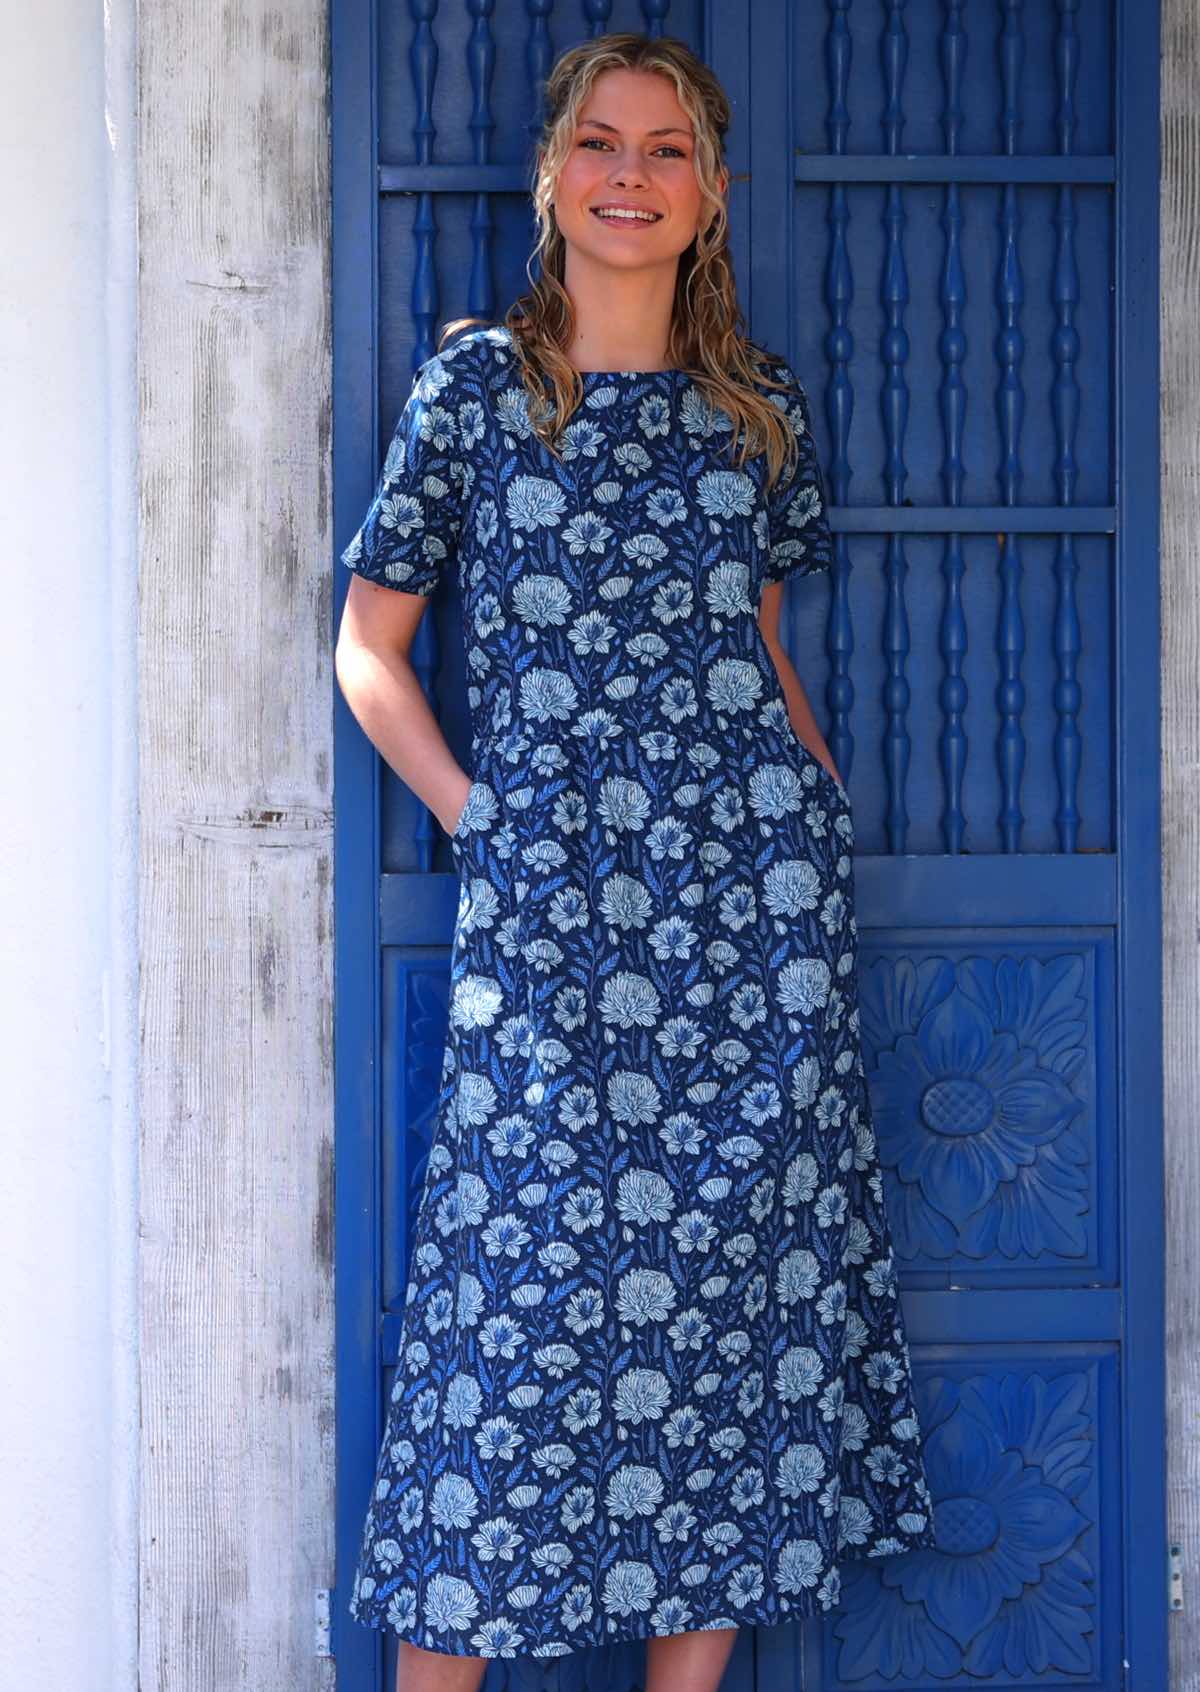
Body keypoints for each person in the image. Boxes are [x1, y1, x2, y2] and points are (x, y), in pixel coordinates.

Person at [334, 30, 937, 1692]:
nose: (627, 174)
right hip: (548, 925)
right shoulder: (477, 392)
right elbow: (367, 648)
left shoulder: (758, 412)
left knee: (734, 1331)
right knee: (506, 1331)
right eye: (600, 143)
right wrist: (478, 816)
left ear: (710, 192)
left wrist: (810, 823)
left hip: (755, 920)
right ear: (554, 175)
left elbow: (760, 644)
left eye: (665, 151)